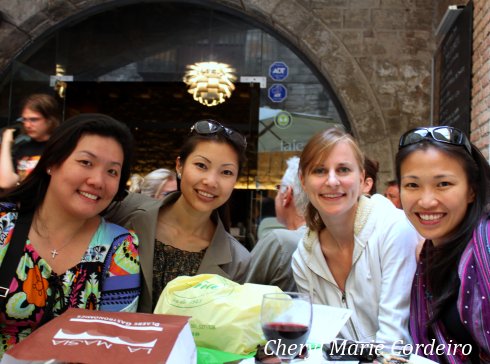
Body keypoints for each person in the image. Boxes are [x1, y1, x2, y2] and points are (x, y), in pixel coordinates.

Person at [0, 113, 141, 358]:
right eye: (86, 162)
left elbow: (112, 346)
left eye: (112, 171)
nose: (97, 180)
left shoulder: (120, 248)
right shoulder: (4, 225)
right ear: (52, 163)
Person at [105, 119, 251, 313]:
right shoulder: (123, 212)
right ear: (179, 166)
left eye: (226, 172)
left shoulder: (238, 261)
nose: (210, 181)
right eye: (201, 165)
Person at [292, 128, 419, 344]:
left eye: (343, 170)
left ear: (362, 180)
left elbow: (393, 342)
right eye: (320, 170)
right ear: (303, 181)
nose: (332, 181)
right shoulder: (303, 258)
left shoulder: (393, 229)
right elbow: (320, 342)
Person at [396, 126, 490, 363]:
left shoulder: (486, 246)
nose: (426, 201)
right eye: (412, 185)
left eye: (443, 184)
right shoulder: (431, 255)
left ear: (472, 190)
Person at [246, 156, 307, 291]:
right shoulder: (330, 241)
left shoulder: (279, 242)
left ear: (287, 195)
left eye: (278, 188)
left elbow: (240, 293)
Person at [0, 94, 60, 189]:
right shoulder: (23, 149)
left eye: (33, 119)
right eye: (24, 120)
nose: (27, 125)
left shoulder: (60, 146)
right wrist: (6, 143)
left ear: (49, 120)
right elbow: (6, 182)